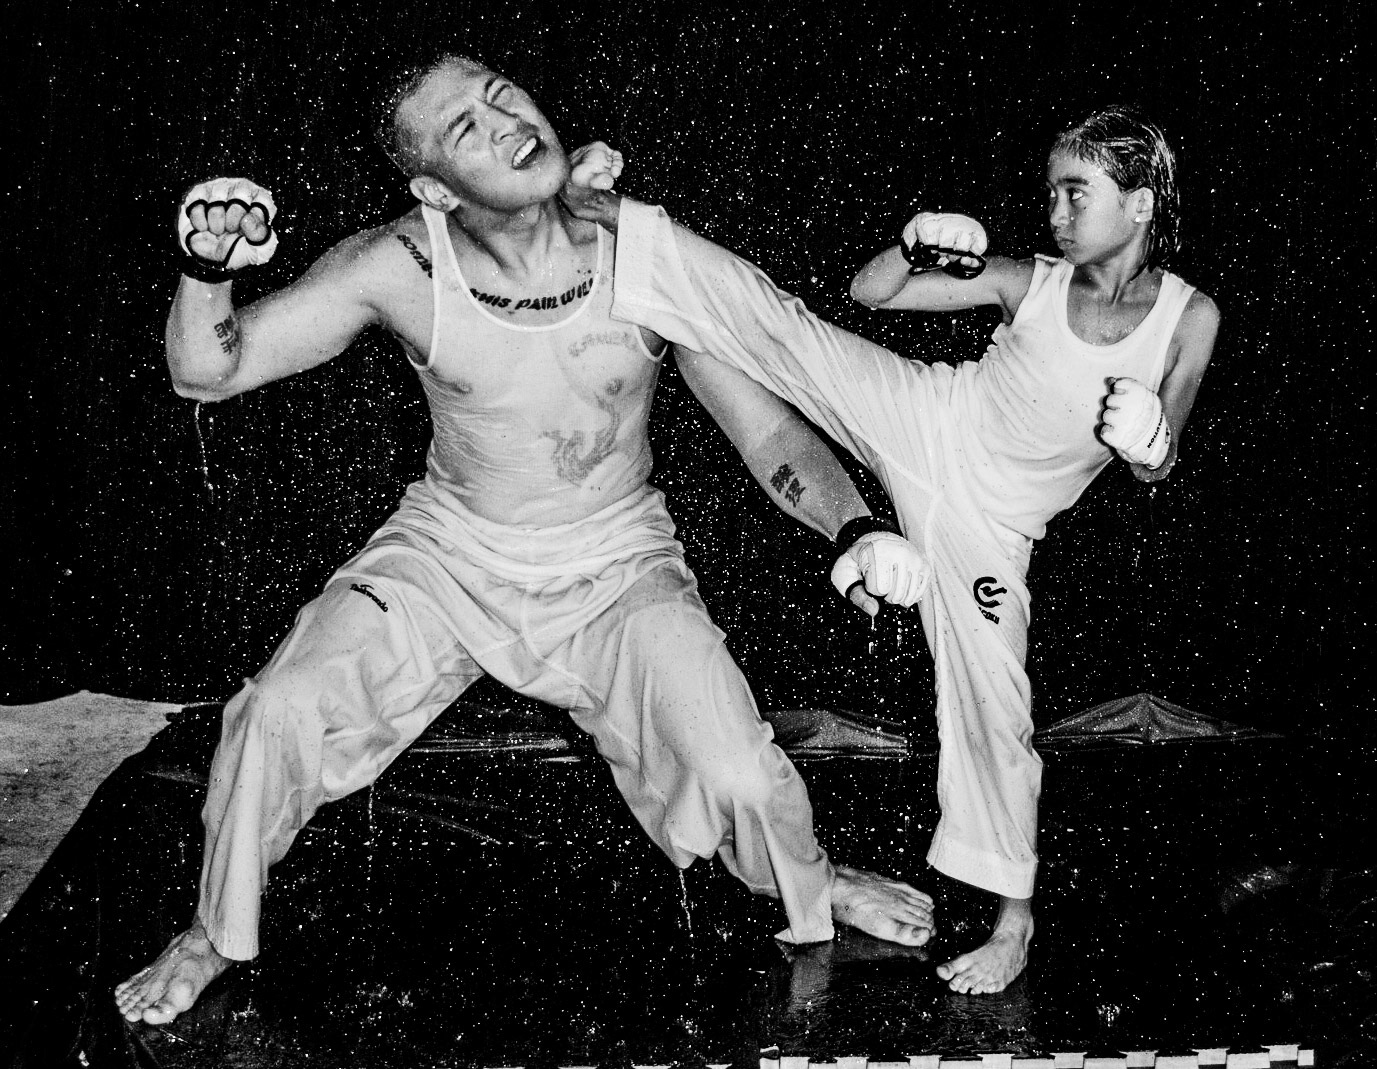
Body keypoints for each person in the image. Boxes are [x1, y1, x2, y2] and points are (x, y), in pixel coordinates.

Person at [114, 53, 937, 1027]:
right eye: (465, 127)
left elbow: (766, 432)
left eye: (502, 95)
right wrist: (207, 274)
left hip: (616, 568)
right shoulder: (398, 263)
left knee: (737, 774)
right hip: (447, 560)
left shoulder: (639, 254)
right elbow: (208, 372)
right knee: (275, 712)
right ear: (434, 189)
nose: (507, 123)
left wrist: (852, 526)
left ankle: (811, 879)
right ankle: (214, 932)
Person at [565, 104, 1220, 994]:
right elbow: (868, 293)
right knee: (785, 328)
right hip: (926, 417)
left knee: (993, 700)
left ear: (1139, 203)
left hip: (991, 523)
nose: (1057, 212)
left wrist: (1151, 440)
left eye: (1077, 192)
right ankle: (609, 217)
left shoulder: (1188, 315)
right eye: (1051, 192)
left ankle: (1013, 923)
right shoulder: (1031, 279)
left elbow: (1158, 460)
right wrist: (911, 248)